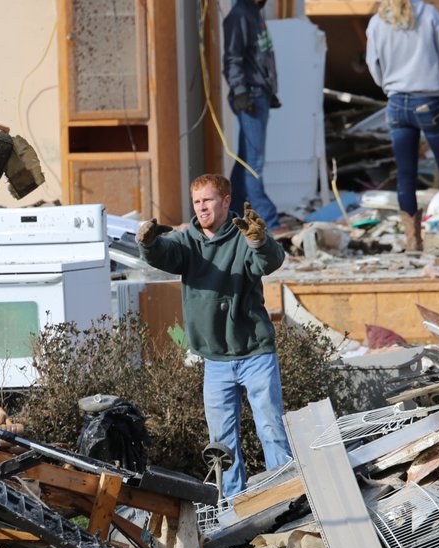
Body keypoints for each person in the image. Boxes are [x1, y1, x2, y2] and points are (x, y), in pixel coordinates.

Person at [136, 174, 292, 499]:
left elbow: (269, 263)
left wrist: (259, 241)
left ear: (225, 201)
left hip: (254, 354)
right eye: (197, 201)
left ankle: (286, 494)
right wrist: (148, 243)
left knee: (271, 429)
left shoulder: (242, 235)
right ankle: (233, 505)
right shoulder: (187, 241)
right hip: (216, 360)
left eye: (208, 200)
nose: (202, 207)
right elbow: (165, 254)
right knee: (222, 442)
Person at [365, 0, 439, 254]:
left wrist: (390, 84)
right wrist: (433, 74)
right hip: (429, 100)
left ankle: (413, 242)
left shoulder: (377, 22)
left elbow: (373, 66)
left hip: (397, 102)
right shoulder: (428, 15)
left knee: (405, 174)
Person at [223, 0, 282, 233]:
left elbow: (260, 58)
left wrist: (270, 90)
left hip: (259, 93)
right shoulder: (239, 16)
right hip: (249, 94)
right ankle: (268, 219)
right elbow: (232, 58)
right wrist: (240, 92)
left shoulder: (254, 13)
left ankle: (231, 215)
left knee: (245, 159)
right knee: (253, 163)